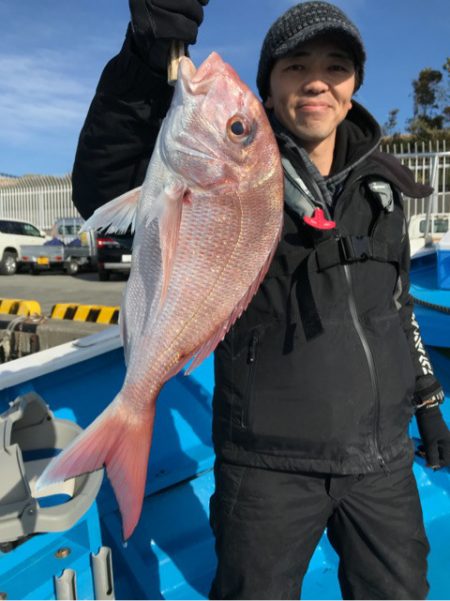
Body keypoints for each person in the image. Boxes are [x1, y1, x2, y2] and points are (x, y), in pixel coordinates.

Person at [72, 1, 450, 598]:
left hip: (382, 461)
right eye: (296, 66)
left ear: (353, 87)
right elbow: (103, 182)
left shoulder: (384, 189)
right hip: (266, 465)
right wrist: (145, 59)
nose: (317, 81)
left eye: (335, 66)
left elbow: (398, 306)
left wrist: (428, 400)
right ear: (270, 88)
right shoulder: (243, 172)